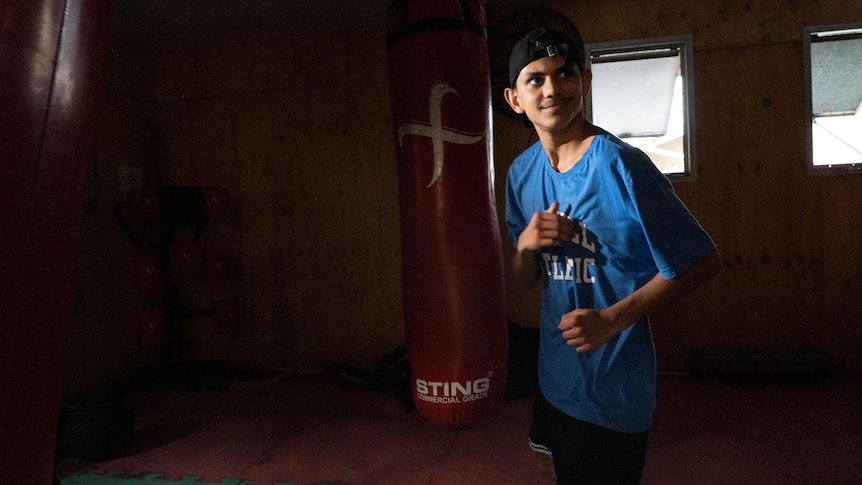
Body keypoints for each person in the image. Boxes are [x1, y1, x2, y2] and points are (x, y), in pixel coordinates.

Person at [503, 26, 721, 484]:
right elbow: (526, 279)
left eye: (564, 74)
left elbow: (702, 261)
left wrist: (613, 319)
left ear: (584, 81)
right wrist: (525, 244)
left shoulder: (622, 165)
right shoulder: (521, 174)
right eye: (535, 79)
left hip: (612, 389)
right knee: (553, 468)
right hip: (553, 379)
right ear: (514, 99)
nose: (552, 89)